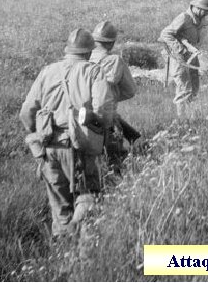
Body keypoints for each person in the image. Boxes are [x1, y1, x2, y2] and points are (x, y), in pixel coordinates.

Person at [19, 28, 115, 238]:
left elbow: (26, 112)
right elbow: (104, 112)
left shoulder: (47, 71)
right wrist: (102, 128)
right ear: (89, 52)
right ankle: (85, 257)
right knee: (88, 198)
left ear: (68, 50)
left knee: (60, 207)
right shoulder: (93, 71)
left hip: (48, 149)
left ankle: (63, 250)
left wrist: (38, 133)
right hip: (78, 147)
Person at [89, 21, 137, 172]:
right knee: (116, 158)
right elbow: (130, 90)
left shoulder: (80, 60)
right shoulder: (114, 61)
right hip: (105, 117)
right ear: (111, 43)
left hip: (77, 116)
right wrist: (113, 96)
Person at [159, 0, 208, 116]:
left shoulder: (199, 20)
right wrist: (181, 49)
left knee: (194, 87)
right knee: (184, 88)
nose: (207, 14)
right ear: (197, 8)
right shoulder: (183, 17)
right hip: (179, 58)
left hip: (192, 56)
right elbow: (165, 34)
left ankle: (191, 116)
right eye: (205, 11)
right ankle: (182, 120)